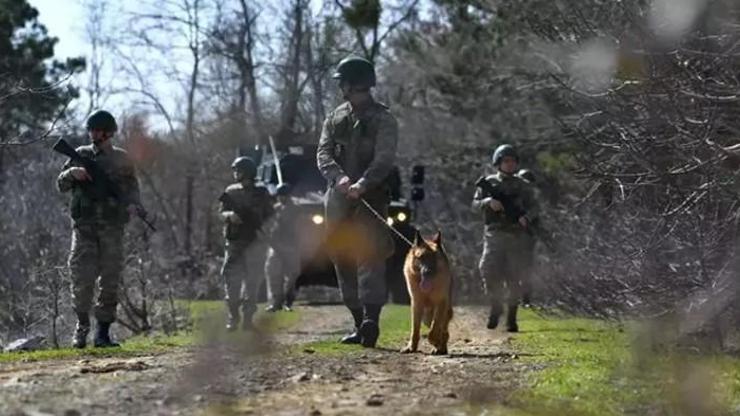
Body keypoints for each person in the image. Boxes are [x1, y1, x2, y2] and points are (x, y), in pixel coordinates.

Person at [316, 55, 398, 348]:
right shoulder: (335, 117)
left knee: (370, 256)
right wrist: (339, 179)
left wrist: (363, 184)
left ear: (354, 84)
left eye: (344, 83)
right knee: (342, 257)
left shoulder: (384, 119)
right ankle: (357, 322)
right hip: (338, 198)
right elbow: (323, 153)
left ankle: (371, 322)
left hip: (371, 197)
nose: (342, 88)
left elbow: (384, 158)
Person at [57, 110, 141, 348]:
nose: (93, 134)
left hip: (113, 230)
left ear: (108, 132)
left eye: (97, 130)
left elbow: (133, 190)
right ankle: (81, 327)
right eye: (91, 130)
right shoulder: (80, 155)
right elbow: (61, 185)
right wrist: (71, 173)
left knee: (110, 282)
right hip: (84, 230)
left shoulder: (122, 159)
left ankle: (102, 333)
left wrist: (135, 206)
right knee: (81, 281)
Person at [472, 144, 539, 332]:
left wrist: (527, 218)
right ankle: (495, 305)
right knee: (487, 270)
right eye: (505, 161)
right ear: (498, 163)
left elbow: (535, 207)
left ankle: (512, 316)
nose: (509, 165)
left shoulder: (523, 186)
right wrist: (488, 202)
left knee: (514, 277)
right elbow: (474, 204)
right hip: (494, 235)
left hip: (516, 236)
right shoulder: (489, 182)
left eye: (512, 161)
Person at [219, 156, 274, 331]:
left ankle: (248, 319)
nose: (235, 173)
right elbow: (220, 212)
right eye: (235, 170)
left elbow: (270, 216)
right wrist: (229, 216)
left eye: (238, 170)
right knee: (231, 280)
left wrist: (265, 231)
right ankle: (233, 316)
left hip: (255, 243)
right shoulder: (231, 191)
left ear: (247, 172)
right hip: (235, 242)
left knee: (252, 282)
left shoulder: (262, 192)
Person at [264, 183, 302, 312]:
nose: (281, 198)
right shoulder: (275, 209)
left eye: (283, 196)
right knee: (273, 274)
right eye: (279, 196)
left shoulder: (295, 209)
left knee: (291, 277)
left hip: (291, 246)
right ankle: (276, 302)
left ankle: (288, 302)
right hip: (275, 246)